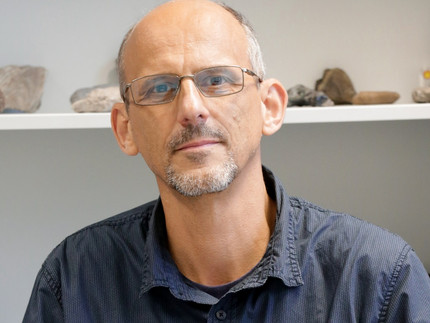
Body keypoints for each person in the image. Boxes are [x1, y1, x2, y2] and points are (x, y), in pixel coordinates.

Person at [24, 0, 430, 322]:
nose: (191, 108)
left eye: (216, 79)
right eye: (160, 87)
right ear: (125, 128)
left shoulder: (378, 278)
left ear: (269, 107)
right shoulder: (73, 280)